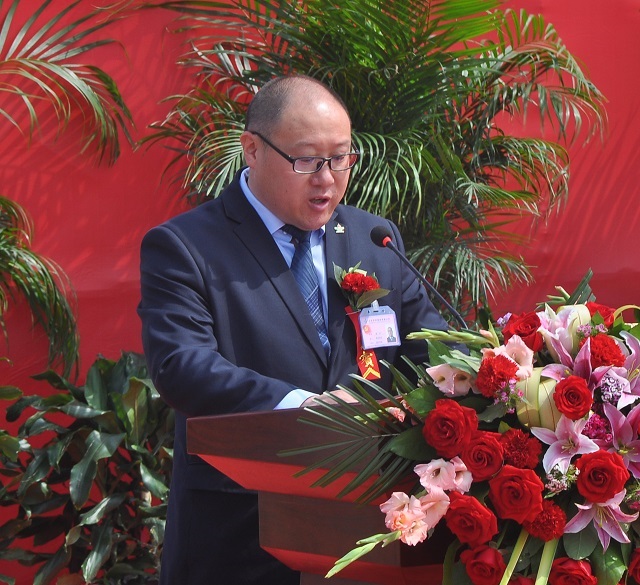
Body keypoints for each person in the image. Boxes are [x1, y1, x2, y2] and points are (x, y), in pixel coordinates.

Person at [138, 75, 454, 585]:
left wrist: (481, 373)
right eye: (307, 160)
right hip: (242, 532)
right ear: (252, 150)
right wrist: (304, 407)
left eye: (341, 158)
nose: (327, 179)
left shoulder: (375, 239)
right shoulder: (187, 247)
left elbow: (430, 349)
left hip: (370, 535)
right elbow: (183, 366)